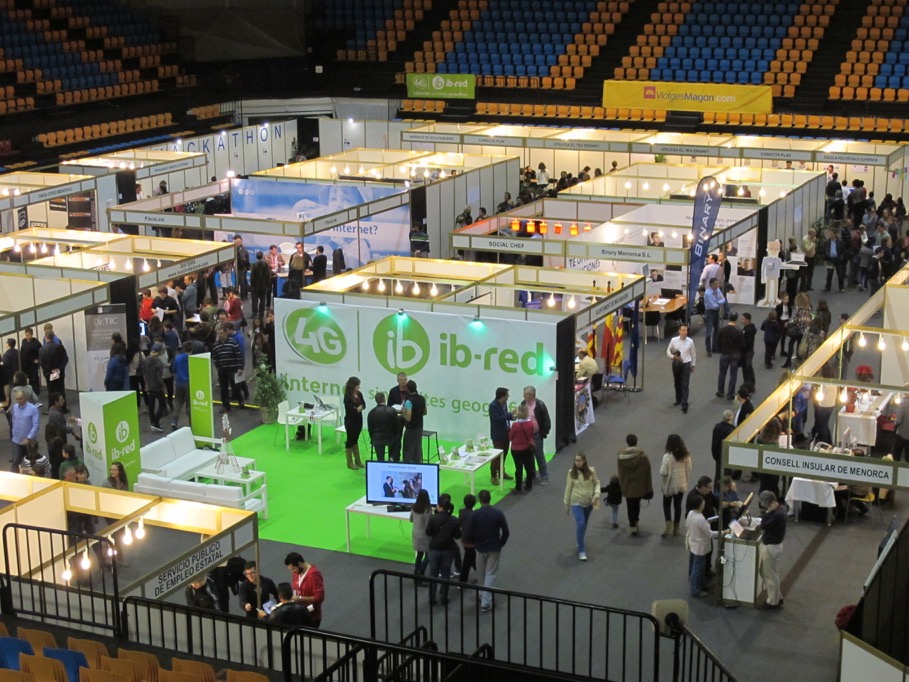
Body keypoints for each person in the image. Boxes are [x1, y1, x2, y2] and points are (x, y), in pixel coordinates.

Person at [463, 489, 509, 612]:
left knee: (481, 573)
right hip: (494, 548)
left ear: (479, 500)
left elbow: (467, 532)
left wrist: (474, 543)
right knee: (490, 574)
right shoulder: (498, 513)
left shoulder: (474, 514)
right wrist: (500, 544)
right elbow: (506, 532)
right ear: (490, 499)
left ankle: (483, 595)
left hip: (480, 548)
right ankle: (486, 601)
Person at [563, 453, 601, 561]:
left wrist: (596, 495)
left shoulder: (591, 471)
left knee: (584, 525)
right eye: (576, 460)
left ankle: (579, 540)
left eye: (579, 460)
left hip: (588, 502)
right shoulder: (571, 473)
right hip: (576, 502)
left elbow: (597, 483)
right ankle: (581, 549)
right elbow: (568, 488)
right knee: (581, 523)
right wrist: (566, 504)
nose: (577, 462)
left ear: (584, 461)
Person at [425, 493, 461, 605]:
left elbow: (428, 532)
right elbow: (457, 536)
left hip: (434, 549)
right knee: (445, 575)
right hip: (448, 550)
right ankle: (444, 598)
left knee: (433, 574)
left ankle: (432, 598)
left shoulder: (433, 518)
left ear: (439, 506)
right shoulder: (454, 520)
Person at [616, 434, 652, 535]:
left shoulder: (620, 456)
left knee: (629, 505)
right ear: (637, 442)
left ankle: (632, 526)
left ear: (627, 443)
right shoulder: (642, 457)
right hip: (639, 485)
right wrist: (648, 486)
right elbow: (647, 472)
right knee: (636, 504)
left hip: (627, 485)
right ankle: (636, 521)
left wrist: (622, 483)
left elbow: (620, 471)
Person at [758, 490, 787, 609]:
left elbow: (763, 525)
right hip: (773, 545)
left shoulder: (777, 514)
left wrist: (768, 512)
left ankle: (773, 601)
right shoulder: (781, 510)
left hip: (771, 547)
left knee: (770, 575)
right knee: (766, 572)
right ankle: (776, 596)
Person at [659, 434, 692, 537]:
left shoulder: (667, 457)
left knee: (666, 505)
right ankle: (676, 528)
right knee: (678, 505)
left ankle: (668, 526)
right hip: (681, 484)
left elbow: (663, 472)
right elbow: (689, 468)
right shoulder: (686, 456)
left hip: (669, 485)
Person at [685, 494, 717, 598]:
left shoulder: (691, 513)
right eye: (703, 502)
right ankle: (695, 590)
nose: (704, 504)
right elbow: (710, 534)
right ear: (699, 505)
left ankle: (701, 584)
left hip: (693, 543)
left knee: (697, 566)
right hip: (701, 546)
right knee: (698, 568)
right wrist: (724, 532)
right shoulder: (700, 518)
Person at [284, 551, 325, 628]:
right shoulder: (297, 573)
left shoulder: (314, 576)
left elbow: (319, 597)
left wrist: (300, 599)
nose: (292, 572)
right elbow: (295, 588)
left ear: (299, 564)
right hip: (299, 614)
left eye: (293, 569)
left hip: (312, 617)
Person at [521, 386, 551, 484]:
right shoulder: (523, 404)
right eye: (524, 394)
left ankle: (545, 477)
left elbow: (546, 420)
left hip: (536, 434)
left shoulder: (540, 405)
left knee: (539, 455)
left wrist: (543, 433)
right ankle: (531, 474)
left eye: (528, 394)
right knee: (528, 456)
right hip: (526, 435)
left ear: (533, 395)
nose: (525, 396)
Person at [211, 324, 242, 414]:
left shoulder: (233, 342)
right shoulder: (215, 345)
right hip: (222, 370)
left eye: (221, 333)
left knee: (235, 386)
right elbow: (215, 357)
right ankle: (226, 406)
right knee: (223, 389)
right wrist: (218, 367)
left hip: (233, 369)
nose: (219, 335)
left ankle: (240, 400)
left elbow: (238, 355)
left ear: (226, 333)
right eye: (218, 333)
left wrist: (239, 367)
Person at [666, 324, 696, 413]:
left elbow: (693, 354)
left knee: (685, 384)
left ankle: (684, 403)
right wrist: (673, 356)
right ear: (679, 331)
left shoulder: (690, 341)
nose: (685, 332)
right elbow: (668, 350)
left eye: (686, 330)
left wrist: (693, 365)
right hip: (676, 364)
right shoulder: (673, 340)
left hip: (686, 364)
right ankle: (678, 399)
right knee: (677, 383)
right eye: (683, 330)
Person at [488, 387, 514, 486]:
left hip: (506, 433)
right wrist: (509, 415)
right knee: (496, 456)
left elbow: (504, 417)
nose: (508, 396)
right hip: (498, 435)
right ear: (502, 396)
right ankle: (493, 475)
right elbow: (497, 419)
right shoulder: (493, 406)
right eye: (507, 395)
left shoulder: (504, 404)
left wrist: (512, 417)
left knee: (504, 454)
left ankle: (501, 472)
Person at [10, 388, 39, 472]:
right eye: (17, 399)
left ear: (25, 397)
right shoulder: (15, 408)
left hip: (29, 442)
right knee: (15, 461)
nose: (19, 401)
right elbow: (14, 421)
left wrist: (29, 437)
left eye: (20, 398)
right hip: (16, 440)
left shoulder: (33, 409)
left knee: (31, 462)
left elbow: (36, 425)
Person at [508, 403, 535, 493]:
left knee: (518, 468)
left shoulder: (515, 425)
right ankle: (529, 485)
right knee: (529, 467)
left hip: (516, 450)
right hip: (527, 448)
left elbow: (511, 437)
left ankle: (518, 487)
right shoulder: (530, 423)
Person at [716, 312, 743, 400]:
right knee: (733, 374)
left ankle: (720, 392)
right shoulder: (739, 330)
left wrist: (721, 350)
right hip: (735, 354)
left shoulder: (722, 329)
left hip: (724, 354)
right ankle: (730, 394)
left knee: (722, 373)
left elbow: (718, 341)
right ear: (736, 319)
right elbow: (742, 344)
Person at [39, 331, 69, 410]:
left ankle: (51, 408)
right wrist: (59, 369)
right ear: (54, 336)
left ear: (46, 337)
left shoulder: (42, 349)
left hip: (49, 373)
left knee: (50, 391)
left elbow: (42, 363)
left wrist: (50, 371)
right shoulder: (60, 347)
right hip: (59, 372)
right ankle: (63, 408)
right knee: (61, 389)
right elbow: (65, 359)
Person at [367, 392, 399, 462]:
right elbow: (397, 426)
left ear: (375, 400)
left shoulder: (371, 412)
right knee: (397, 442)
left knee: (380, 458)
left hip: (377, 439)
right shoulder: (392, 411)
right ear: (385, 399)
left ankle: (381, 463)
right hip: (391, 438)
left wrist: (372, 439)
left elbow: (370, 429)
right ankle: (392, 459)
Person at [143, 343, 167, 432]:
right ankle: (156, 422)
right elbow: (159, 377)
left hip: (149, 386)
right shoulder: (159, 363)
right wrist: (163, 385)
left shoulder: (146, 360)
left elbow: (144, 373)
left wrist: (146, 384)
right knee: (162, 404)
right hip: (157, 387)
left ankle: (152, 422)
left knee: (151, 405)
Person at [343, 376, 365, 470]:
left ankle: (358, 460)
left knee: (355, 439)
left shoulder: (359, 394)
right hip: (350, 421)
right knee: (350, 440)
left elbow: (364, 404)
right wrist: (358, 409)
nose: (359, 387)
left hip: (358, 420)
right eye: (357, 385)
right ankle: (349, 462)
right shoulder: (347, 396)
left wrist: (358, 409)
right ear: (353, 386)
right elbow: (351, 410)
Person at [402, 380, 427, 464]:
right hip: (419, 427)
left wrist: (403, 412)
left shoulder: (409, 401)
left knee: (408, 449)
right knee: (417, 448)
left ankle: (407, 466)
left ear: (408, 390)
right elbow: (425, 412)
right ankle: (418, 464)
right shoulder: (422, 398)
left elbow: (408, 418)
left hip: (411, 428)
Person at [410, 489, 432, 577]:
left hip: (416, 533)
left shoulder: (414, 507)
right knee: (428, 555)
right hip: (425, 535)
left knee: (419, 555)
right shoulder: (427, 510)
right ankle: (421, 571)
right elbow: (428, 525)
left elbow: (411, 519)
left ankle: (416, 571)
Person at [711, 410, 735, 486]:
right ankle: (723, 490)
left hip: (717, 454)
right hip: (726, 456)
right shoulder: (731, 430)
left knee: (718, 473)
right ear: (731, 419)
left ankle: (716, 488)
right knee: (726, 475)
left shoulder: (717, 426)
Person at [171, 342, 191, 431]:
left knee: (178, 402)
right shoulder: (193, 359)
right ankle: (191, 422)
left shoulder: (178, 358)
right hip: (189, 383)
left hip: (179, 382)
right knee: (189, 404)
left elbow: (174, 370)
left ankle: (174, 422)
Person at [703, 278, 726, 356]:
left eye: (718, 283)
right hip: (710, 313)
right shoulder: (707, 293)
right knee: (709, 332)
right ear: (711, 284)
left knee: (717, 330)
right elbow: (713, 306)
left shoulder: (717, 290)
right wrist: (719, 302)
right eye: (716, 284)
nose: (718, 285)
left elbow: (723, 299)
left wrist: (717, 302)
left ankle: (715, 348)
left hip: (716, 312)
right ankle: (708, 350)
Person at [458, 493, 477, 583]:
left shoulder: (461, 512)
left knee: (471, 557)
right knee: (468, 560)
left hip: (464, 538)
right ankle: (462, 580)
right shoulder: (474, 515)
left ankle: (482, 573)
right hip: (471, 540)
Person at [249, 251, 271, 320]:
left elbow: (252, 277)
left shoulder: (254, 265)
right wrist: (267, 285)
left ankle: (254, 313)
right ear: (262, 256)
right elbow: (268, 276)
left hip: (255, 286)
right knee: (262, 300)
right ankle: (261, 314)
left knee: (254, 300)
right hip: (263, 286)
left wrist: (251, 285)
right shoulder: (266, 264)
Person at [20, 327, 41, 397]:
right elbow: (22, 351)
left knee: (34, 378)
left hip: (33, 364)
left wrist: (38, 359)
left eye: (28, 335)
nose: (27, 337)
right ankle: (30, 392)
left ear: (32, 334)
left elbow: (41, 351)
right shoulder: (24, 341)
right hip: (26, 364)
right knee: (28, 379)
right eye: (26, 335)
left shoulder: (36, 342)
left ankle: (36, 392)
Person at [740, 312, 757, 387]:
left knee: (747, 369)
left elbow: (748, 342)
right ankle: (748, 383)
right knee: (747, 368)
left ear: (748, 320)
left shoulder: (749, 330)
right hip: (747, 352)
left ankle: (749, 384)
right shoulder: (747, 328)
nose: (741, 320)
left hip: (747, 352)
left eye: (743, 319)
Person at [233, 235, 250, 300]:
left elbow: (244, 259)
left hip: (240, 268)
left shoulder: (240, 250)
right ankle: (245, 295)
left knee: (242, 283)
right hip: (243, 268)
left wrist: (245, 266)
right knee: (244, 282)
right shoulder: (243, 249)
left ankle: (243, 296)